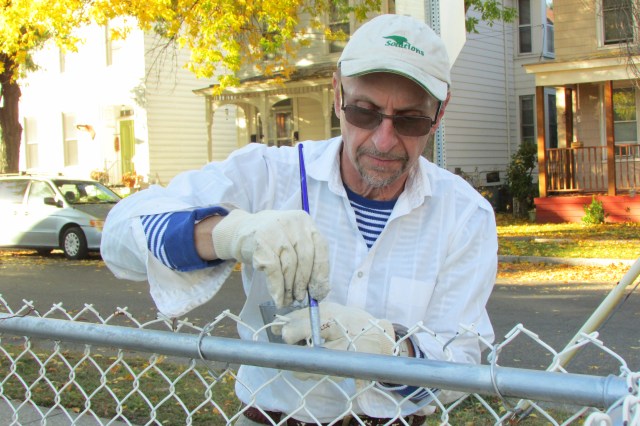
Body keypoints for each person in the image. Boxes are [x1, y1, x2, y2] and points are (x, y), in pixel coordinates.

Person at [101, 13, 498, 425]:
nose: (383, 140)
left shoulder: (464, 217)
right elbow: (119, 238)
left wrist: (387, 349)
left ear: (441, 110)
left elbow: (458, 366)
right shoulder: (271, 175)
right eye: (364, 112)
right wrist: (228, 233)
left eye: (411, 119)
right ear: (336, 93)